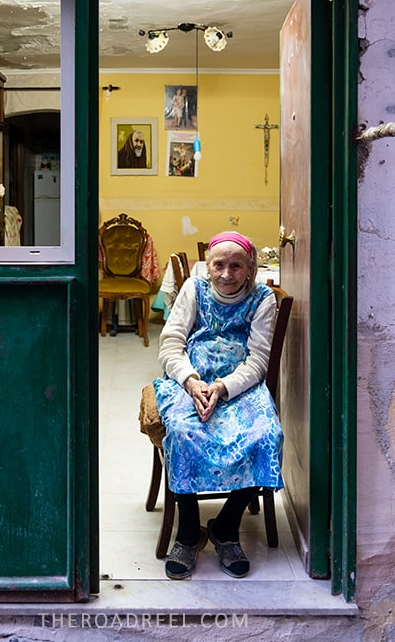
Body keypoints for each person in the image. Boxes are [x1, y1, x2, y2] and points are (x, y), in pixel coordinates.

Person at [154, 231, 284, 580]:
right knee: (183, 432)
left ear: (251, 268)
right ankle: (188, 531)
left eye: (237, 266)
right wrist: (191, 381)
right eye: (220, 265)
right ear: (208, 267)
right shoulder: (193, 290)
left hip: (239, 386)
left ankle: (226, 527)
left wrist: (223, 388)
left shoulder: (263, 299)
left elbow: (258, 360)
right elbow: (170, 344)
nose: (227, 274)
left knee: (265, 434)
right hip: (190, 381)